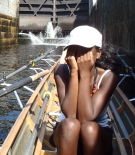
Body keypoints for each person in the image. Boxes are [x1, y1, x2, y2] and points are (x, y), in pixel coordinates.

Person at [50, 25, 122, 155]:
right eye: (74, 50)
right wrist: (73, 72)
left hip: (96, 136)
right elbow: (70, 115)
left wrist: (83, 74)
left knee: (88, 128)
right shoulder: (61, 71)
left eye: (84, 50)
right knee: (70, 125)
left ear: (98, 53)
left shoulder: (108, 77)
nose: (79, 56)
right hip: (66, 133)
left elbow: (86, 118)